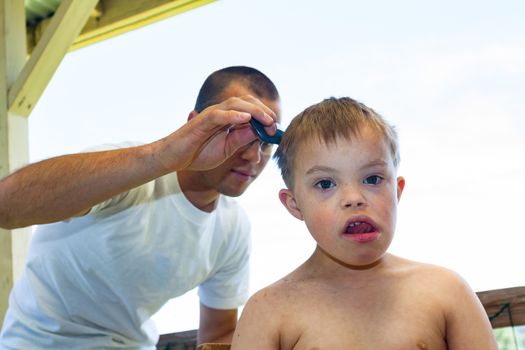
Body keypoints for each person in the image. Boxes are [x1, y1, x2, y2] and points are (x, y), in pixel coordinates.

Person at [0, 66, 281, 349]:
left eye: (266, 141)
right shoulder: (132, 173)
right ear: (195, 123)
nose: (253, 156)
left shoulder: (233, 229)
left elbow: (217, 337)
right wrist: (160, 155)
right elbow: (5, 204)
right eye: (237, 132)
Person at [231, 97, 498, 350]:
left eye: (372, 179)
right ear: (294, 204)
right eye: (325, 184)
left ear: (397, 190)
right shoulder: (268, 311)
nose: (354, 199)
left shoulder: (447, 292)